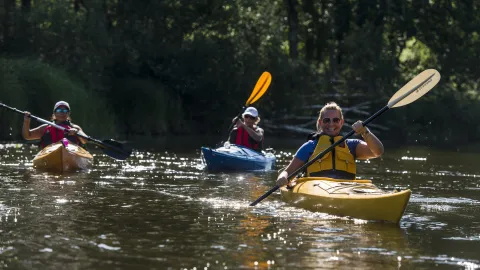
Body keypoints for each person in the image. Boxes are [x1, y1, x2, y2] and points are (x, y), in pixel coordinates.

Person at [276, 102, 384, 186]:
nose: (331, 124)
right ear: (320, 122)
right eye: (327, 120)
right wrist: (282, 177)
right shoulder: (309, 147)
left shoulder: (352, 146)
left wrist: (365, 132)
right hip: (316, 189)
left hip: (346, 189)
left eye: (336, 120)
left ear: (341, 122)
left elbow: (378, 152)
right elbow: (288, 172)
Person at [22, 101, 88, 149]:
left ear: (68, 114)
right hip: (49, 152)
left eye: (65, 111)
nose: (62, 112)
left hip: (71, 152)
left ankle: (65, 149)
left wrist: (77, 132)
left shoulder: (75, 127)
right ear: (54, 113)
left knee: (65, 141)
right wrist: (26, 121)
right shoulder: (45, 128)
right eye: (59, 110)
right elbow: (27, 136)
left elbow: (85, 141)